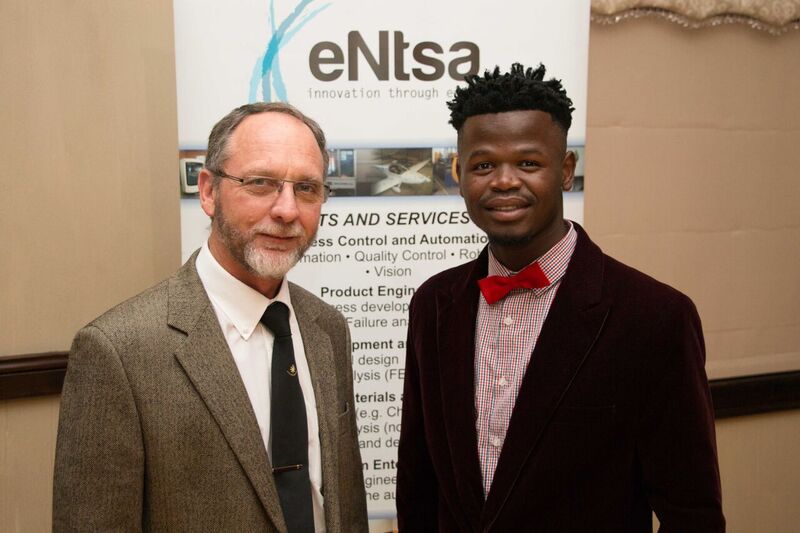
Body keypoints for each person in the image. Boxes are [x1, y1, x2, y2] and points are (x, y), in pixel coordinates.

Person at [396, 64, 725, 532]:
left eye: (528, 163)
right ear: (459, 173)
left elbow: (692, 513)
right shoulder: (433, 304)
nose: (504, 181)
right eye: (483, 165)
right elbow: (418, 482)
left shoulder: (654, 317)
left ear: (566, 170)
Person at [53, 102, 368, 532]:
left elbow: (345, 506)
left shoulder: (327, 327)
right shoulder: (119, 351)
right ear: (207, 191)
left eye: (307, 188)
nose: (287, 210)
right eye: (260, 183)